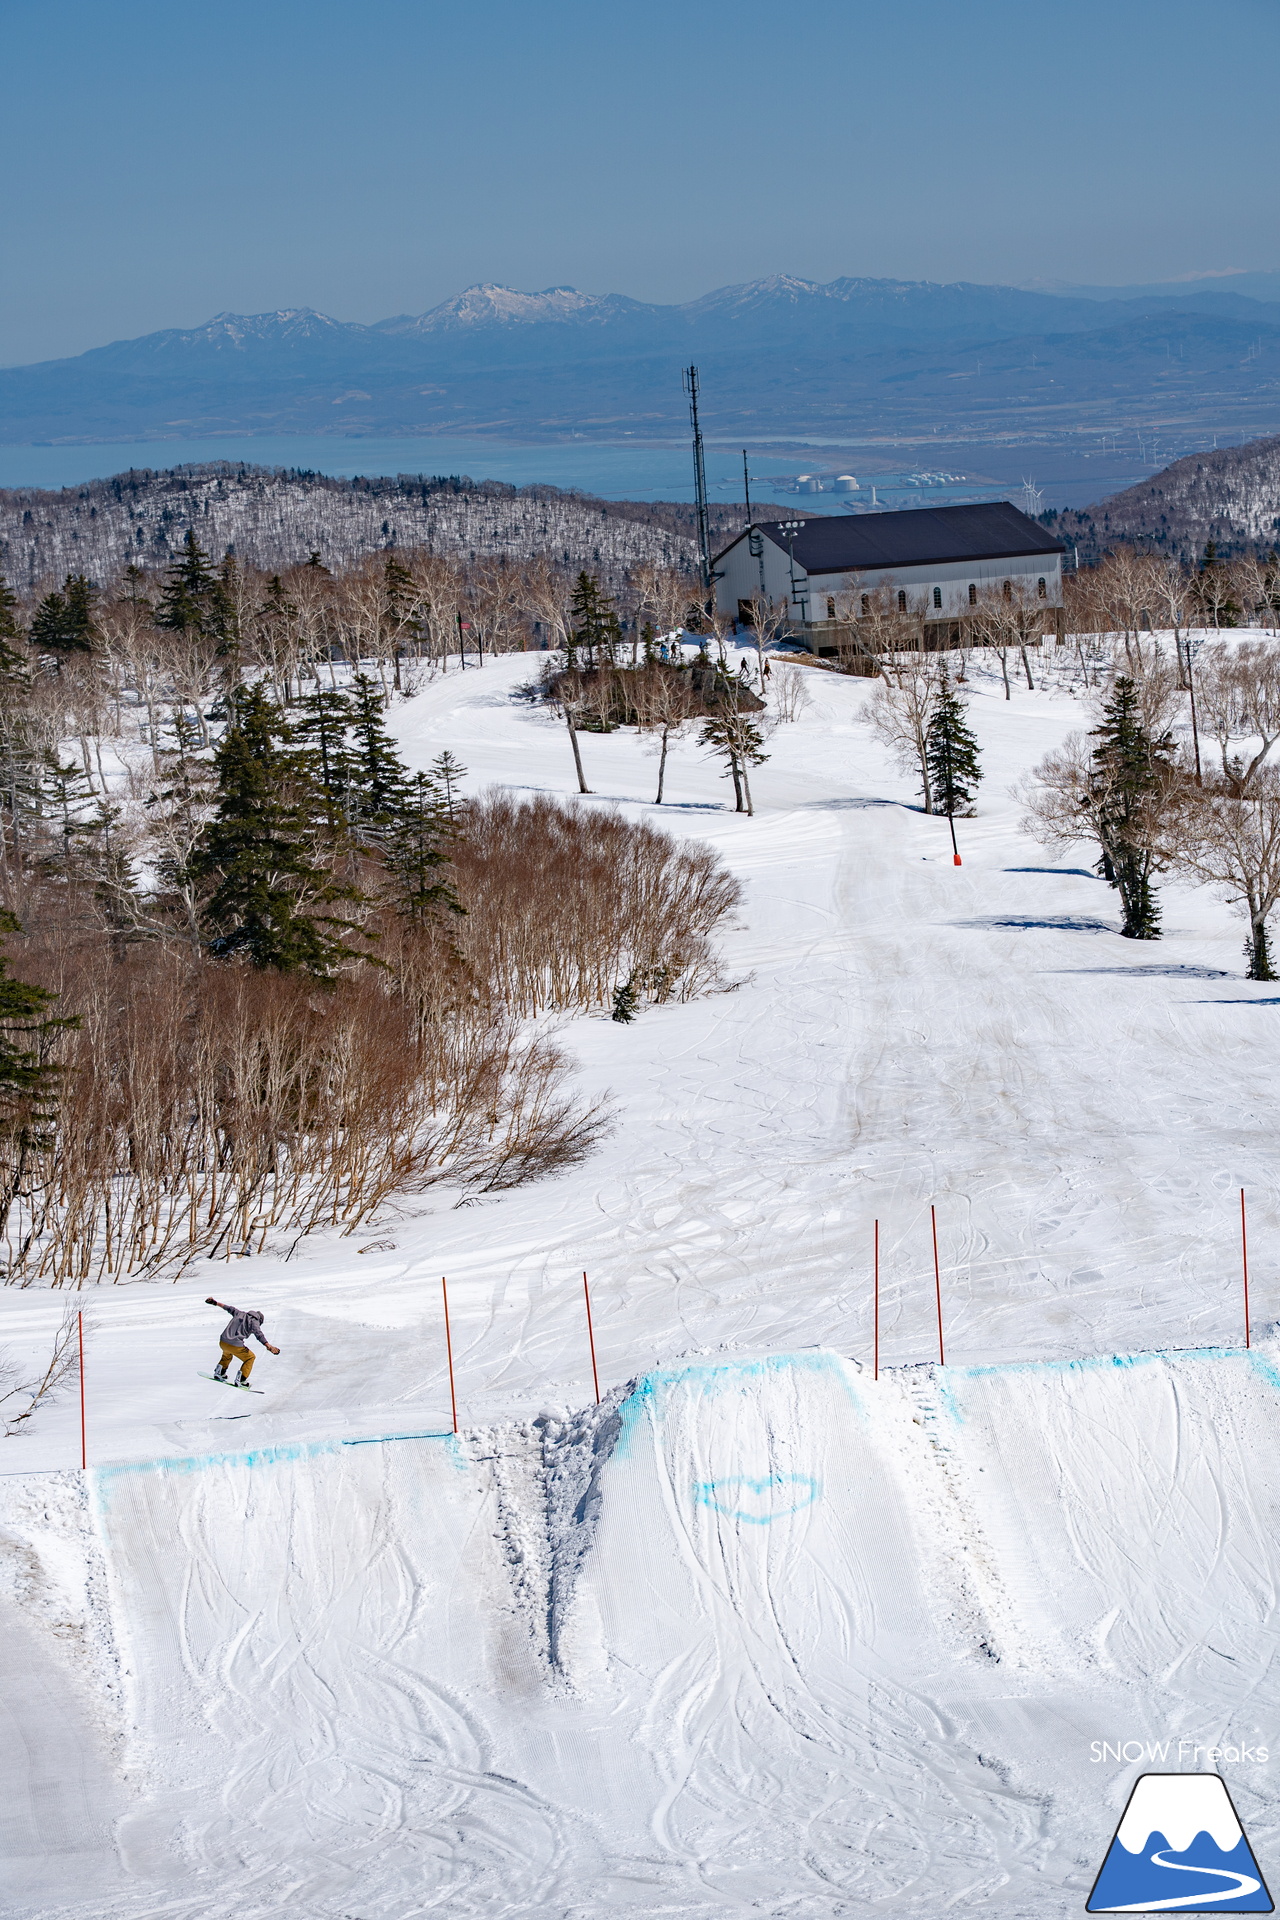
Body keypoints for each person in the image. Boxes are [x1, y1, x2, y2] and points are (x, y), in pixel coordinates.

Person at [205, 1297, 280, 1385]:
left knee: (227, 1354)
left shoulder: (239, 1313)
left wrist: (215, 1303)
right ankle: (241, 1379)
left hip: (223, 1342)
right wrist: (268, 1345)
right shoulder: (255, 1321)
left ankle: (219, 1372)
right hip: (235, 1345)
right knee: (250, 1357)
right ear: (259, 1320)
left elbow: (229, 1308)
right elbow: (258, 1334)